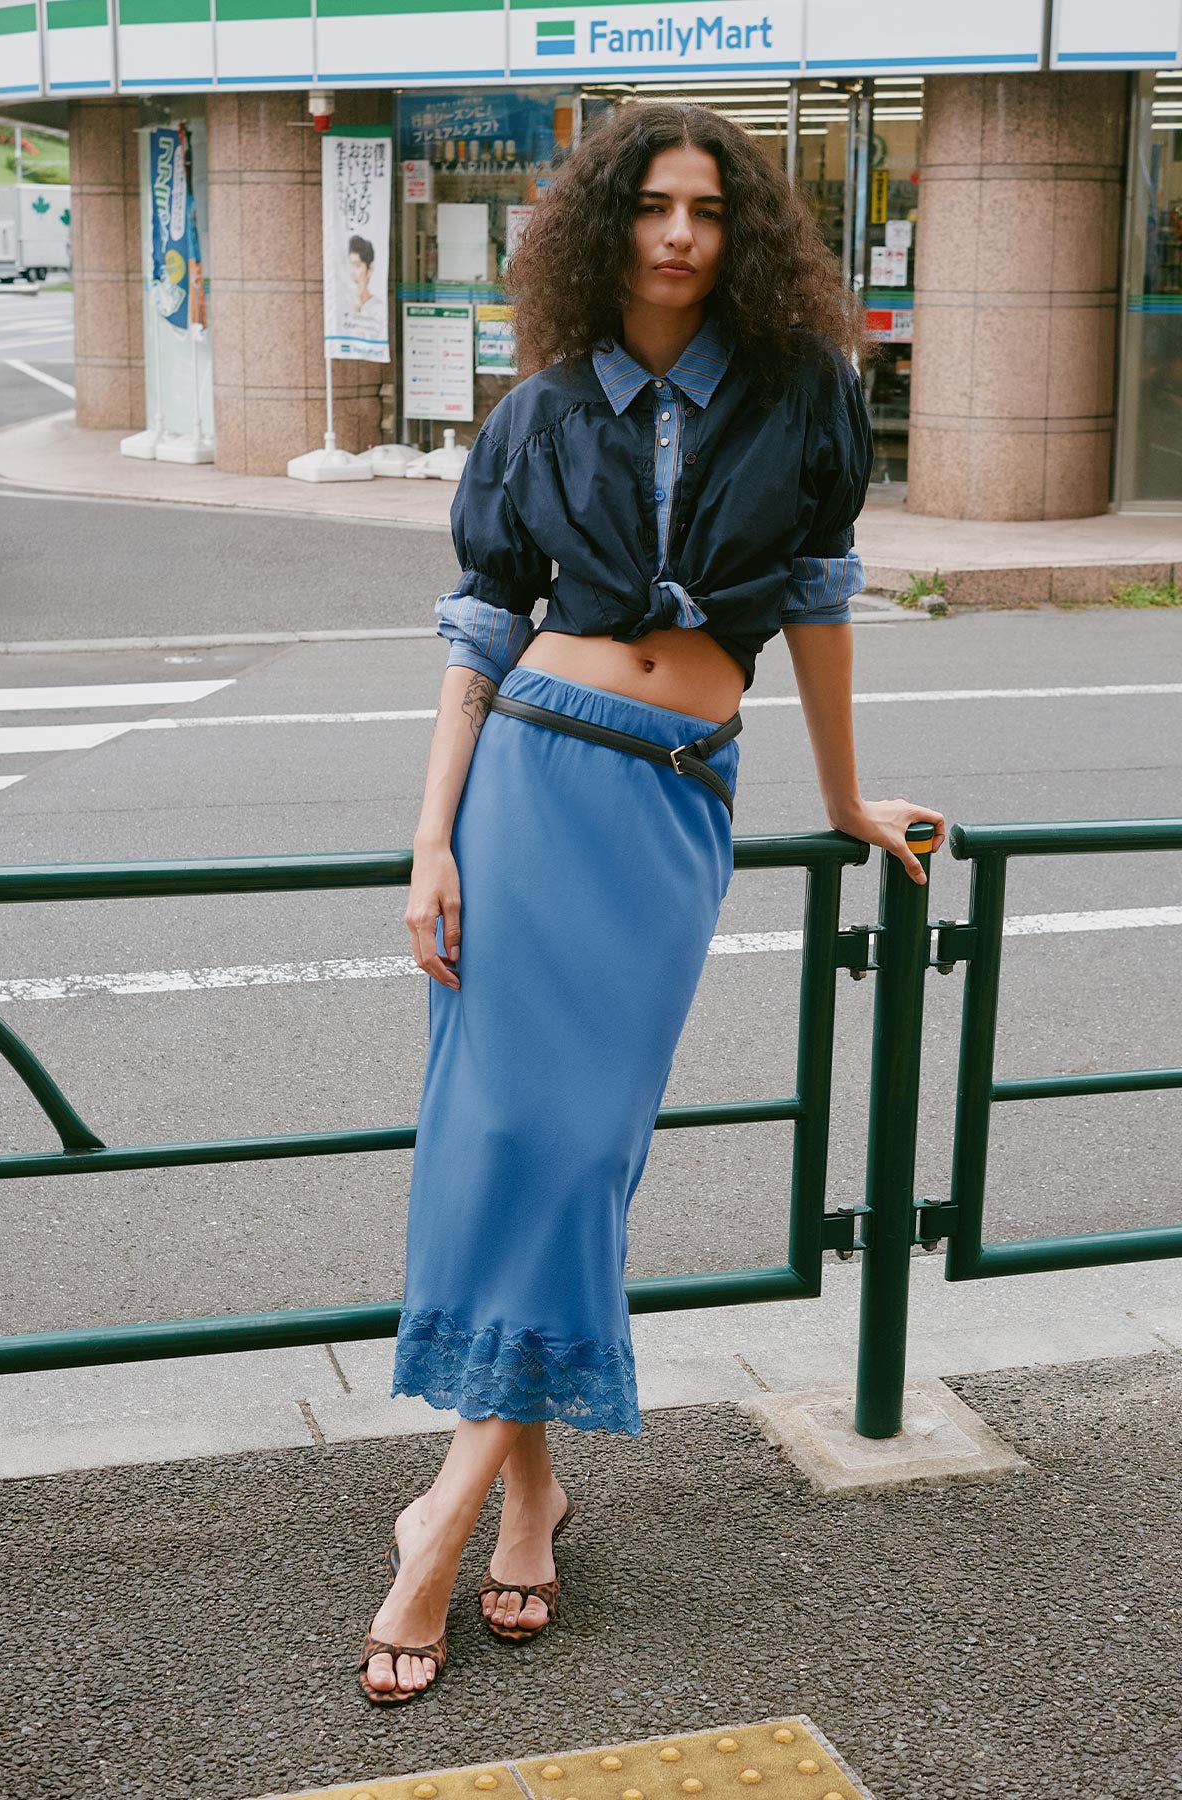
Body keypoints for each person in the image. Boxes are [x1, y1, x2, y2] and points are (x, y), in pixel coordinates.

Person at [357, 101, 946, 1706]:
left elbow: (819, 607)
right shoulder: (541, 408)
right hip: (527, 793)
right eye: (651, 208)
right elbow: (478, 635)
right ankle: (501, 1502)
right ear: (603, 226)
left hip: (670, 805)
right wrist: (431, 841)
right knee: (516, 1147)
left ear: (738, 232)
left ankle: (457, 1499)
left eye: (706, 210)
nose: (679, 234)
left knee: (582, 1150)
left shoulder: (808, 396)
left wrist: (839, 799)